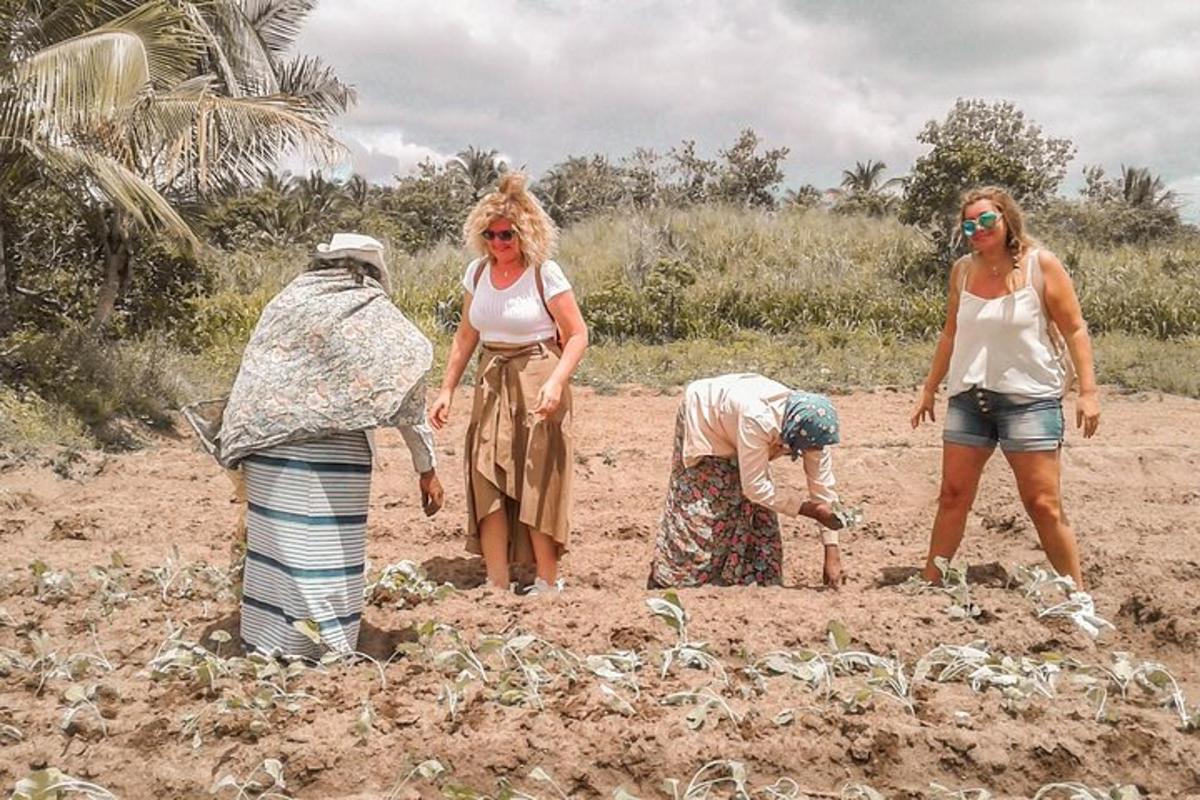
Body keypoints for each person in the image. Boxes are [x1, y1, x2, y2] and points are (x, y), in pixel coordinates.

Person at [196, 233, 444, 658]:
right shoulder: (372, 312)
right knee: (325, 552)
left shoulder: (286, 303)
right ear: (371, 271)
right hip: (336, 457)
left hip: (268, 448)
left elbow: (256, 376)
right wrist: (427, 468)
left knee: (280, 548)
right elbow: (409, 390)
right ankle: (323, 646)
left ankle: (267, 639)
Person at [910, 186, 1100, 587]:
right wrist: (929, 387)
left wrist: (1088, 391)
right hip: (968, 399)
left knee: (1043, 504)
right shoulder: (962, 270)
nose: (978, 230)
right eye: (969, 225)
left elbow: (1076, 329)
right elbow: (950, 334)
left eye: (985, 221)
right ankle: (930, 582)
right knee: (952, 496)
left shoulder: (1040, 266)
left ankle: (1076, 593)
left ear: (1006, 220)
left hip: (1029, 402)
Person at [428, 174, 588, 594]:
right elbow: (466, 336)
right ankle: (496, 582)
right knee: (488, 476)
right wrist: (446, 388)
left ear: (525, 231)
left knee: (537, 477)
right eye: (491, 234)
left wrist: (556, 382)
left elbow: (577, 334)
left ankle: (547, 580)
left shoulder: (544, 273)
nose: (499, 242)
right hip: (492, 379)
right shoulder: (476, 274)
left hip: (537, 377)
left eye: (507, 234)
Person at [649, 372, 847, 589]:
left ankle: (749, 581)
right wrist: (810, 510)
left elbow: (823, 489)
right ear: (795, 432)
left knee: (756, 513)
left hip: (736, 420)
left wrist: (832, 550)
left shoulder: (812, 431)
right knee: (707, 510)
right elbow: (755, 488)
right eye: (810, 447)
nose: (815, 450)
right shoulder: (760, 418)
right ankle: (676, 580)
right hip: (706, 416)